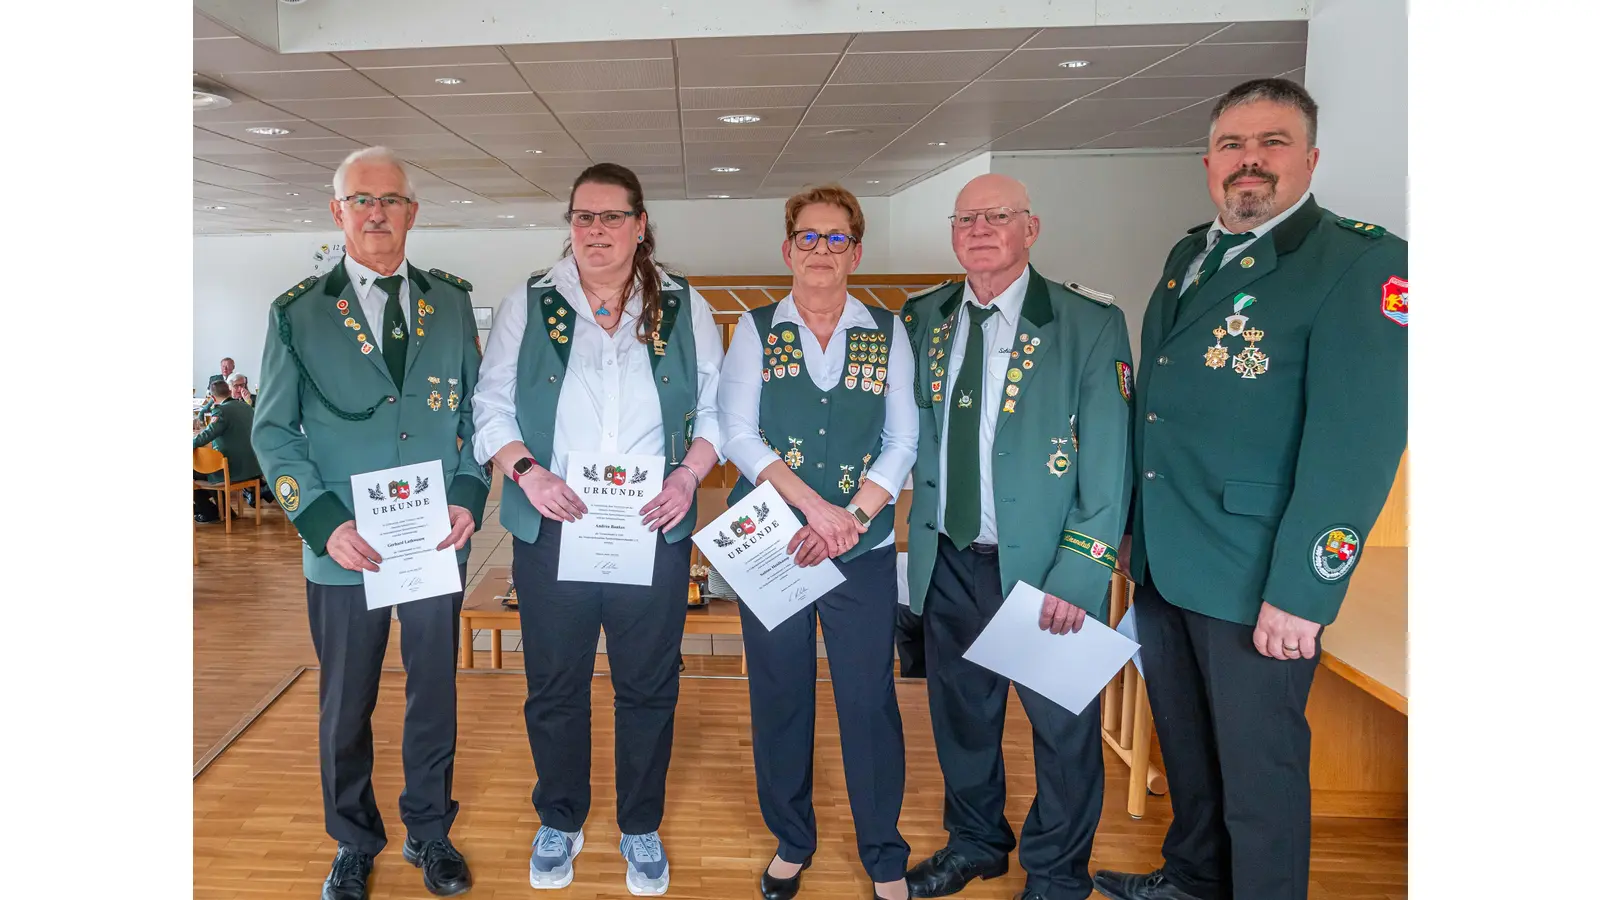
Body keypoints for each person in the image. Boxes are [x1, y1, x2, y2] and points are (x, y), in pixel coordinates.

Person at [1090, 78, 1408, 900]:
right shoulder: (1189, 254)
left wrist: (1305, 591)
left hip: (1256, 574)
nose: (1249, 162)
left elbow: (1357, 447)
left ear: (1308, 158)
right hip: (1167, 561)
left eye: (1271, 143)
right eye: (1233, 146)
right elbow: (1157, 413)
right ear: (1208, 163)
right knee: (1190, 751)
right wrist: (1131, 533)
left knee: (1260, 774)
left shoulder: (1361, 263)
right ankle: (1193, 878)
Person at [471, 161, 724, 896]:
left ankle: (639, 825)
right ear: (570, 226)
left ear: (641, 225)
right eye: (584, 217)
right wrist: (528, 473)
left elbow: (715, 411)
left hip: (653, 520)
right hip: (555, 522)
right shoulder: (531, 300)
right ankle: (560, 815)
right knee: (555, 683)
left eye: (613, 217)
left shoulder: (682, 305)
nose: (597, 231)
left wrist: (688, 476)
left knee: (647, 685)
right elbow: (491, 407)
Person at [252, 146, 487, 900]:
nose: (377, 212)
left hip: (431, 541)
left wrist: (469, 493)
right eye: (362, 200)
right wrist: (322, 523)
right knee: (345, 702)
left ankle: (429, 831)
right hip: (346, 548)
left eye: (391, 199)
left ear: (412, 212)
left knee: (434, 693)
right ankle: (353, 842)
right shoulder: (297, 313)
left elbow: (478, 414)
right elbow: (273, 431)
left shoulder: (450, 302)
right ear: (338, 212)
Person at [899, 174, 1134, 900]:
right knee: (962, 720)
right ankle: (976, 842)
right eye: (966, 218)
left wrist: (1080, 573)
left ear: (1030, 228)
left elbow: (1108, 459)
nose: (979, 229)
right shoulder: (923, 316)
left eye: (996, 216)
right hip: (949, 560)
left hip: (1042, 570)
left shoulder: (1086, 322)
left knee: (1063, 733)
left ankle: (1058, 874)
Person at [718, 185, 916, 900]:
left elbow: (903, 439)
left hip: (858, 549)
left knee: (868, 697)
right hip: (772, 538)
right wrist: (811, 509)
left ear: (856, 251)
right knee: (780, 693)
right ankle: (792, 839)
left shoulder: (888, 330)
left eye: (837, 238)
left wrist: (853, 520)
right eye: (809, 237)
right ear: (788, 249)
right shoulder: (755, 326)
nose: (821, 251)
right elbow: (739, 433)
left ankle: (883, 851)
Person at [193, 379, 261, 522]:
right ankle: (224, 511)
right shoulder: (246, 407)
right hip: (252, 467)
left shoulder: (221, 411)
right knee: (206, 470)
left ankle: (210, 513)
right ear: (230, 391)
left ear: (212, 398)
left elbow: (206, 436)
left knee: (196, 470)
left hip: (233, 469)